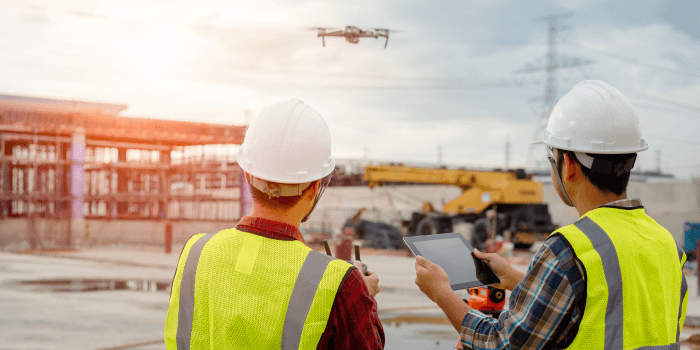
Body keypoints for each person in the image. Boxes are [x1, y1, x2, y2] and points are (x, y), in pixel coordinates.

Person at [415, 80, 688, 349]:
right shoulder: (667, 246)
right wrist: (516, 278)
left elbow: (502, 343)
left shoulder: (569, 250)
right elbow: (604, 308)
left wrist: (442, 293)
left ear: (568, 165)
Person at [164, 100, 384, 349]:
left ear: (247, 175)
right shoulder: (340, 283)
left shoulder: (195, 252)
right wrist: (365, 300)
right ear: (314, 187)